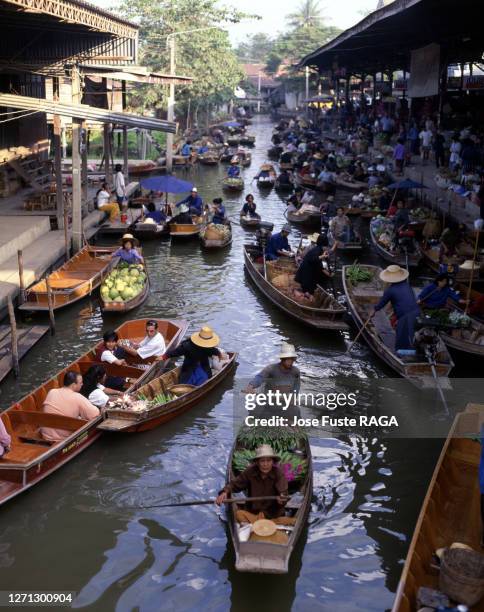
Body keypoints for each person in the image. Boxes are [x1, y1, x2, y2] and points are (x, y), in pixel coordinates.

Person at [216, 444, 294, 526]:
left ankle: (259, 525)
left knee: (291, 522)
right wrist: (225, 491)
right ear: (257, 462)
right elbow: (236, 484)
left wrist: (281, 498)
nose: (265, 464)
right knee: (238, 514)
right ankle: (255, 526)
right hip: (253, 513)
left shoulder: (278, 473)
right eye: (262, 461)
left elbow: (283, 492)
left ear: (272, 461)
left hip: (272, 515)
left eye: (268, 461)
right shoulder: (251, 471)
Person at [373, 265, 420, 354]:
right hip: (416, 312)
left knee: (402, 337)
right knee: (410, 333)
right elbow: (404, 300)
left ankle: (403, 357)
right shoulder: (407, 286)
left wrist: (374, 310)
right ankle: (410, 351)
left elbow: (381, 304)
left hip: (406, 315)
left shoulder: (390, 290)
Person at [40, 371, 100, 442]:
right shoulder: (77, 397)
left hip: (45, 435)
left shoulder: (52, 392)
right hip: (61, 438)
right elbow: (95, 414)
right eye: (80, 383)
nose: (82, 384)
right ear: (73, 385)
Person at [294, 234, 333, 299]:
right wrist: (322, 256)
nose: (326, 248)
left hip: (308, 273)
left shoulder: (318, 249)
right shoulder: (316, 250)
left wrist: (327, 273)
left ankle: (306, 294)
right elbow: (313, 259)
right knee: (308, 290)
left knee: (310, 289)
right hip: (306, 274)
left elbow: (318, 264)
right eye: (326, 246)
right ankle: (305, 294)